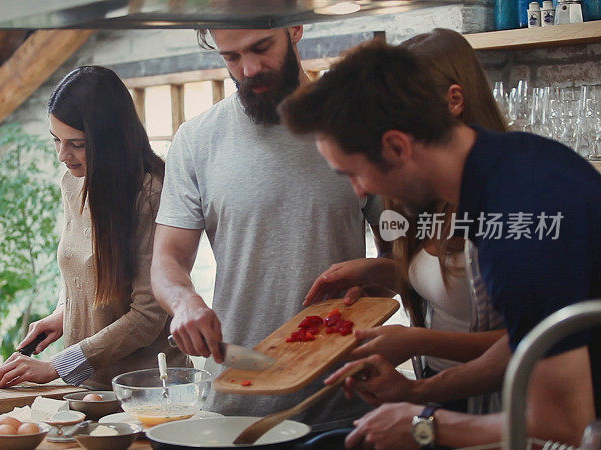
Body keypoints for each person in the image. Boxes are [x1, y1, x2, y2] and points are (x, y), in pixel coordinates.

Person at [279, 40, 600, 448]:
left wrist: (424, 425)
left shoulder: (517, 223)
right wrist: (416, 392)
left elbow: (563, 425)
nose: (359, 192)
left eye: (352, 174)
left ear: (397, 146)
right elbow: (529, 336)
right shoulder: (513, 161)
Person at [151, 26, 385, 430]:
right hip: (233, 403)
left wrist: (374, 283)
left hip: (339, 405)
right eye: (231, 57)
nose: (250, 68)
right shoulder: (196, 139)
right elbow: (166, 259)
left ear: (295, 28)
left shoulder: (358, 127)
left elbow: (406, 255)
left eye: (262, 48)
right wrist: (184, 302)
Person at [303, 29, 508, 414]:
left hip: (494, 406)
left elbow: (525, 342)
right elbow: (447, 284)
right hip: (439, 389)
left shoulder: (502, 197)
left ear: (455, 102)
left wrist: (415, 340)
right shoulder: (423, 193)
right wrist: (377, 271)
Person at [0, 66, 189, 390]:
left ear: (110, 140)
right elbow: (84, 268)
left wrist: (57, 365)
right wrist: (63, 313)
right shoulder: (73, 183)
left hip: (148, 390)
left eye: (77, 144)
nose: (61, 155)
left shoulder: (151, 194)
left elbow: (146, 318)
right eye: (56, 140)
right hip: (90, 389)